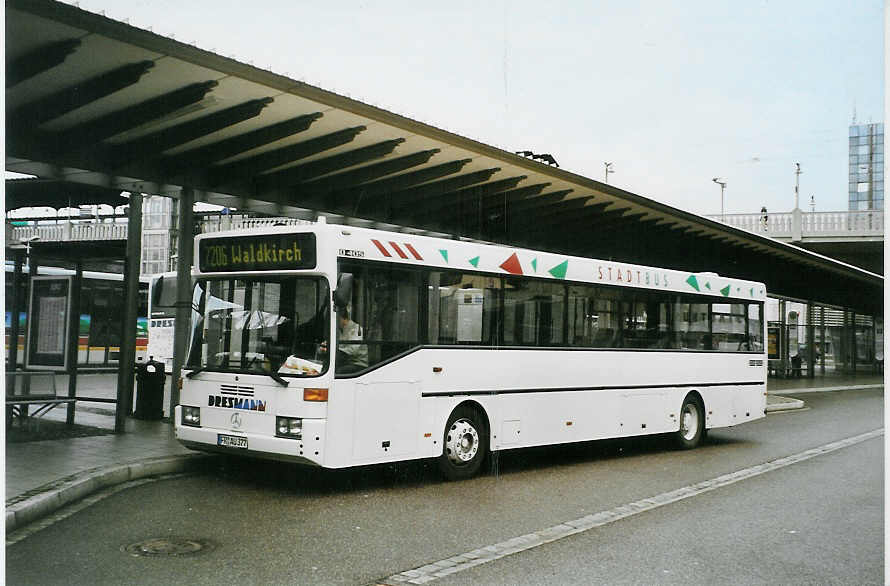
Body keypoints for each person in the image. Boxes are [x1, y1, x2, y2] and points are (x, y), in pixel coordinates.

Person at [320, 308, 368, 373]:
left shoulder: (357, 329)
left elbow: (352, 350)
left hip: (358, 363)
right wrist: (325, 346)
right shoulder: (339, 330)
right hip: (344, 361)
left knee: (337, 372)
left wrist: (332, 350)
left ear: (340, 317)